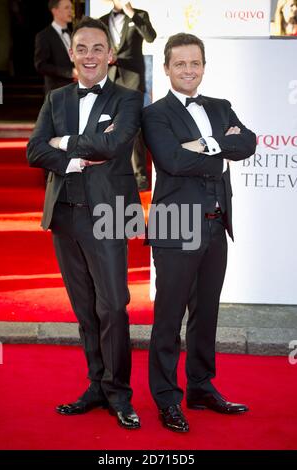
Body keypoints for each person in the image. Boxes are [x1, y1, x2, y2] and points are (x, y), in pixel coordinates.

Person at [27, 16, 144, 430]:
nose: (90, 55)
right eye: (82, 48)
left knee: (113, 305)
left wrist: (64, 142)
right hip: (65, 216)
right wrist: (74, 157)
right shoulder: (56, 99)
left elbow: (114, 146)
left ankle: (119, 392)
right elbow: (34, 151)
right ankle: (96, 385)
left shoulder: (128, 99)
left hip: (110, 213)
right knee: (84, 311)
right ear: (72, 53)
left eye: (98, 48)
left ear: (111, 56)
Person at [142, 33, 257, 433]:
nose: (188, 70)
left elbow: (248, 144)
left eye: (195, 63)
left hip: (215, 224)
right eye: (180, 64)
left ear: (204, 66)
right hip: (176, 225)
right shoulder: (155, 114)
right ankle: (167, 397)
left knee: (206, 314)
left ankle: (202, 386)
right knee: (169, 317)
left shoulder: (221, 106)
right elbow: (172, 161)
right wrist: (219, 149)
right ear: (168, 68)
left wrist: (203, 144)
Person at [100, 1, 157, 191]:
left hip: (132, 80)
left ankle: (139, 175)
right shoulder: (101, 21)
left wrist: (131, 13)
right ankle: (112, 173)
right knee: (109, 127)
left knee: (134, 128)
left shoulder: (140, 15)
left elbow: (150, 37)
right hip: (110, 79)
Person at [34, 0, 78, 93]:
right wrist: (69, 73)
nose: (71, 11)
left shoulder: (73, 35)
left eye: (71, 8)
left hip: (75, 90)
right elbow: (41, 65)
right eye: (67, 8)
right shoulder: (43, 35)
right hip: (56, 92)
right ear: (55, 11)